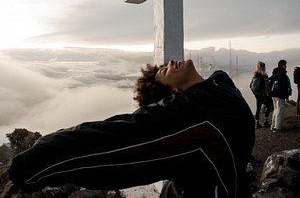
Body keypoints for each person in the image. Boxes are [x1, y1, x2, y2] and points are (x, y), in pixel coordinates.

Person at [8, 59, 255, 198]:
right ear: (173, 97)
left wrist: (29, 167)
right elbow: (116, 138)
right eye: (163, 71)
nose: (169, 62)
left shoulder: (210, 100)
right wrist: (33, 163)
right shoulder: (196, 110)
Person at [269, 59, 292, 132]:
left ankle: (273, 126)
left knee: (276, 110)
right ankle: (277, 128)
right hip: (279, 95)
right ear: (283, 65)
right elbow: (284, 86)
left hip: (273, 94)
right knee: (280, 110)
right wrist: (286, 95)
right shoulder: (282, 74)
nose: (286, 66)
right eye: (285, 65)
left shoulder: (275, 73)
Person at [250, 61, 272, 129]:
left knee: (258, 108)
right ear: (263, 67)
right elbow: (266, 87)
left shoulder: (255, 76)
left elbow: (250, 85)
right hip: (263, 95)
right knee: (269, 105)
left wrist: (255, 93)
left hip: (257, 95)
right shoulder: (264, 76)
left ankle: (257, 123)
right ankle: (265, 121)